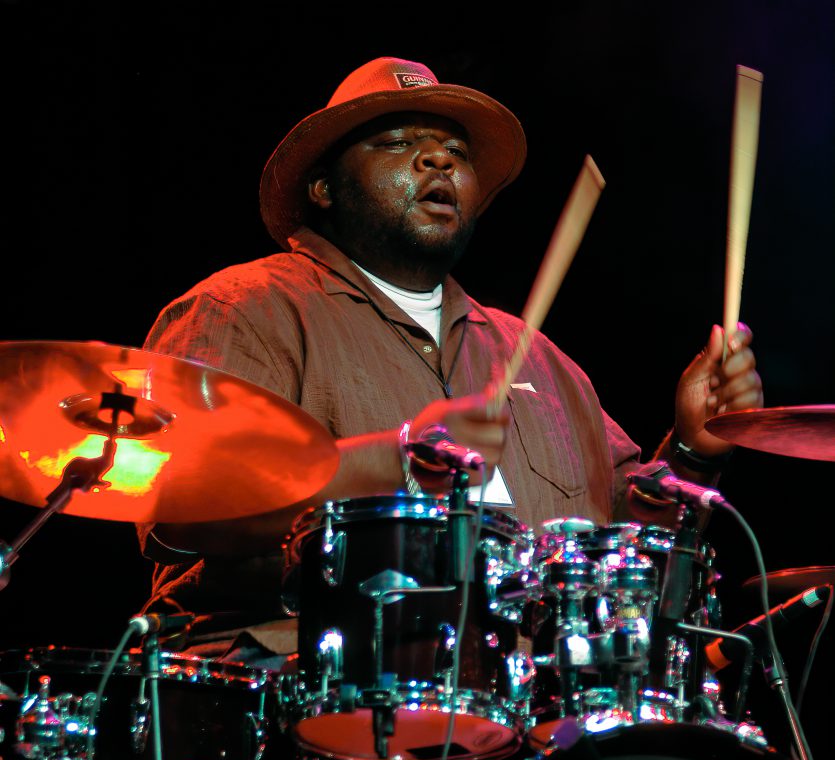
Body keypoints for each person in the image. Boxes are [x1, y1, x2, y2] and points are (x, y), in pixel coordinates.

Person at [138, 56, 763, 662]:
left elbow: (619, 555)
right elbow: (184, 498)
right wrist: (403, 460)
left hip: (512, 720)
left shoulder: (540, 360)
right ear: (323, 186)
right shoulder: (246, 309)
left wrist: (691, 451)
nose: (438, 158)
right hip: (304, 696)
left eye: (456, 153)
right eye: (396, 142)